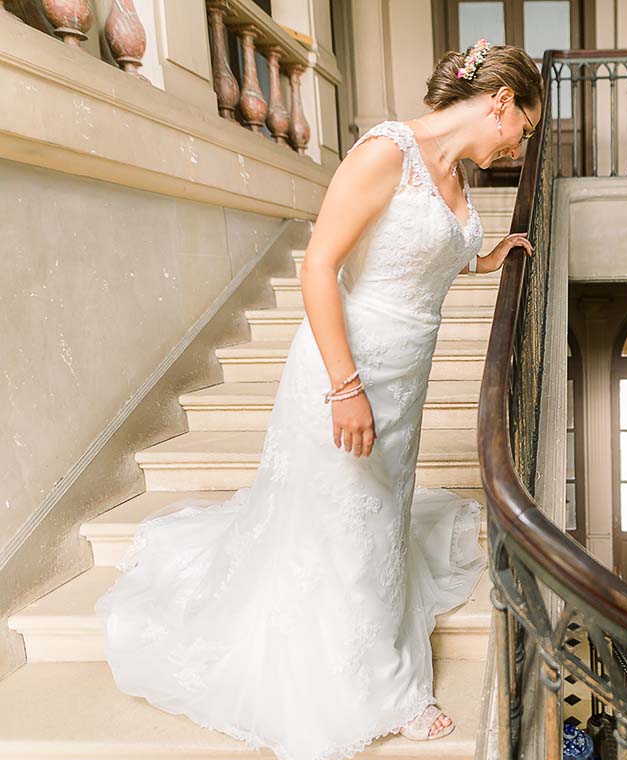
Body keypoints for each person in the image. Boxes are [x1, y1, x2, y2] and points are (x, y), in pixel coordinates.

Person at [94, 40, 542, 760]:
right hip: (351, 365)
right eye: (525, 123)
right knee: (343, 519)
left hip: (406, 377)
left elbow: (431, 252)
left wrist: (489, 256)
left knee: (380, 512)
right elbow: (319, 269)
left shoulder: (451, 173)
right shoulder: (384, 152)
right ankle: (383, 687)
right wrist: (345, 386)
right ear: (499, 102)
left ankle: (374, 644)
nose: (522, 139)